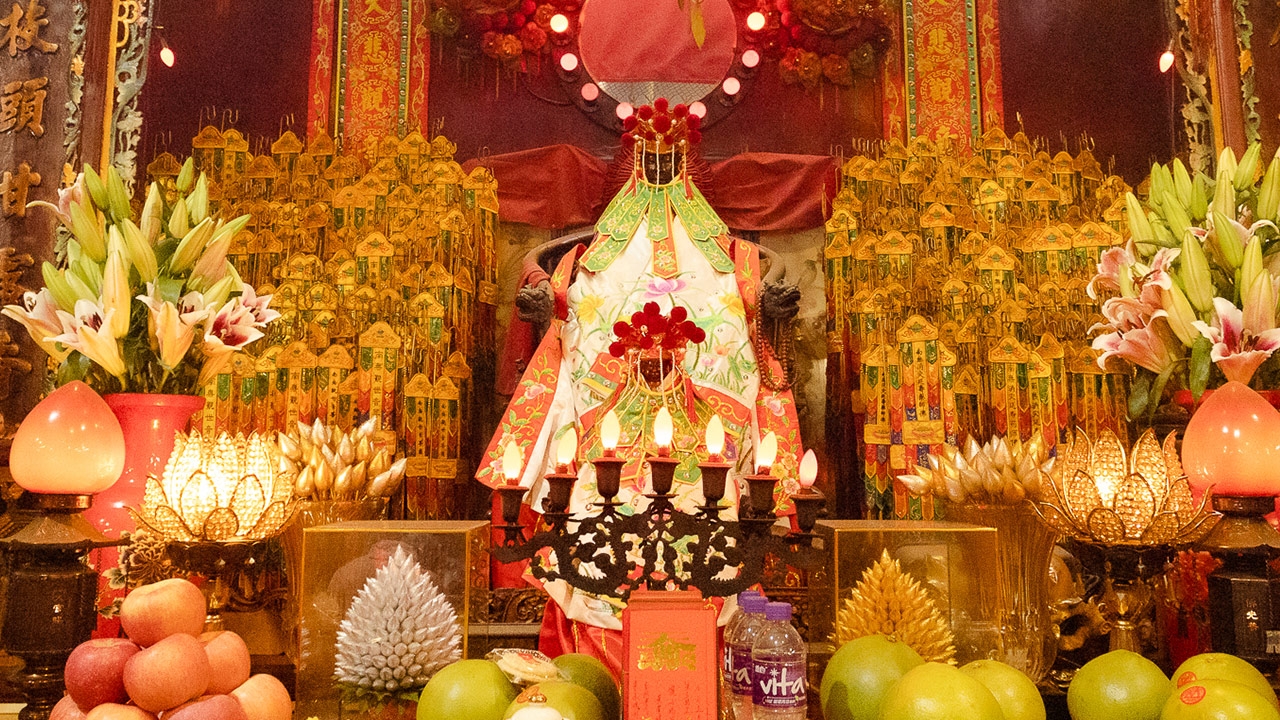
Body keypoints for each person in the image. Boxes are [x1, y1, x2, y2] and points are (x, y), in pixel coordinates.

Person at [476, 99, 803, 674]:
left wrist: (762, 312)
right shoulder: (587, 263)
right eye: (649, 157)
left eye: (669, 158)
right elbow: (567, 318)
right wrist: (549, 304)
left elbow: (744, 325)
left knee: (714, 515)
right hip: (611, 438)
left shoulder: (732, 263)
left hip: (703, 440)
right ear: (634, 162)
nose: (659, 170)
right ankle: (598, 673)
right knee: (590, 509)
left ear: (684, 162)